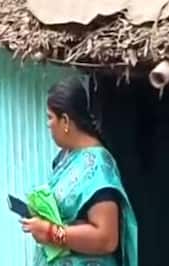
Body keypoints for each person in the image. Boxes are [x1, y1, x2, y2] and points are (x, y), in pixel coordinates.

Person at [20, 77, 138, 266]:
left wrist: (51, 232)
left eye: (50, 117)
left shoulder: (98, 168)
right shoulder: (67, 157)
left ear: (65, 120)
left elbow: (107, 239)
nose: (48, 124)